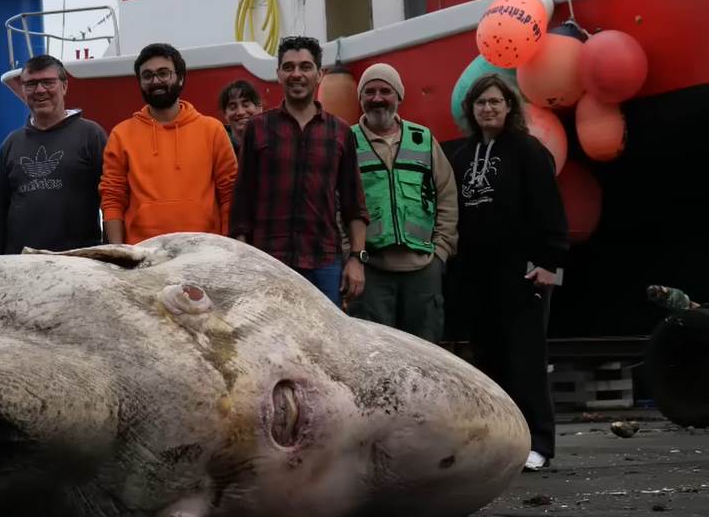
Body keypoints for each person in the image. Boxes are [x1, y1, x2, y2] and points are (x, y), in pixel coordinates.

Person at [448, 74, 567, 472]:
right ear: (472, 109)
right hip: (479, 278)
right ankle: (503, 441)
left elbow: (550, 210)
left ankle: (540, 444)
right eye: (481, 103)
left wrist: (551, 264)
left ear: (509, 107)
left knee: (527, 358)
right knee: (489, 359)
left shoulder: (529, 152)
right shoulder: (461, 157)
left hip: (525, 274)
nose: (488, 109)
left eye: (496, 102)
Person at [231, 36, 368, 307]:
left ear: (320, 74)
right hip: (268, 261)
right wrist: (242, 261)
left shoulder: (340, 132)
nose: (297, 74)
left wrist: (357, 258)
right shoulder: (257, 128)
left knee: (323, 344)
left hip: (324, 263)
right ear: (278, 74)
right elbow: (242, 201)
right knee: (269, 341)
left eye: (305, 67)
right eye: (289, 67)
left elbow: (354, 203)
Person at [345, 64, 458, 343]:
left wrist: (440, 252)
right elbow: (336, 202)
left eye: (386, 90)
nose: (377, 97)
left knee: (426, 356)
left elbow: (446, 196)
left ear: (399, 97)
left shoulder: (423, 140)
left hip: (423, 271)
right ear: (360, 98)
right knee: (373, 353)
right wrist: (349, 254)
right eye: (369, 91)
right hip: (369, 272)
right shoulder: (346, 142)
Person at [99, 43, 236, 245]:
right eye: (147, 76)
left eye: (164, 73)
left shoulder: (213, 130)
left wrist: (227, 247)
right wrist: (119, 252)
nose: (155, 81)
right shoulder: (121, 135)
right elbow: (112, 197)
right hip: (142, 255)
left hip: (205, 252)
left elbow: (229, 193)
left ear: (180, 78)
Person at [0, 55, 107, 255]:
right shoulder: (11, 144)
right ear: (23, 90)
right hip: (21, 264)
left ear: (64, 86)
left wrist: (110, 251)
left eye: (48, 82)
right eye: (31, 84)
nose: (40, 90)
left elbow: (111, 199)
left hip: (78, 263)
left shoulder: (91, 135)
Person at [217, 79, 262, 150]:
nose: (240, 112)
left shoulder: (274, 141)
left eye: (246, 105)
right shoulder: (217, 146)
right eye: (233, 107)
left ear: (259, 107)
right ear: (225, 114)